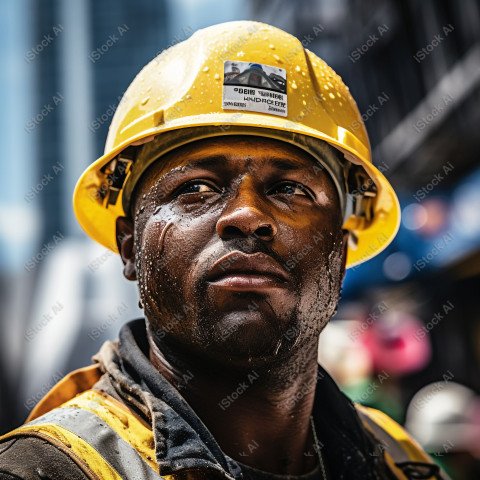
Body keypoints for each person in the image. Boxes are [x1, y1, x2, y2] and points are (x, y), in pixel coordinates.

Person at [0, 20, 450, 480]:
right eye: (195, 187)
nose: (247, 215)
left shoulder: (402, 463)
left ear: (342, 245)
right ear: (130, 246)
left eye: (291, 188)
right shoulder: (42, 471)